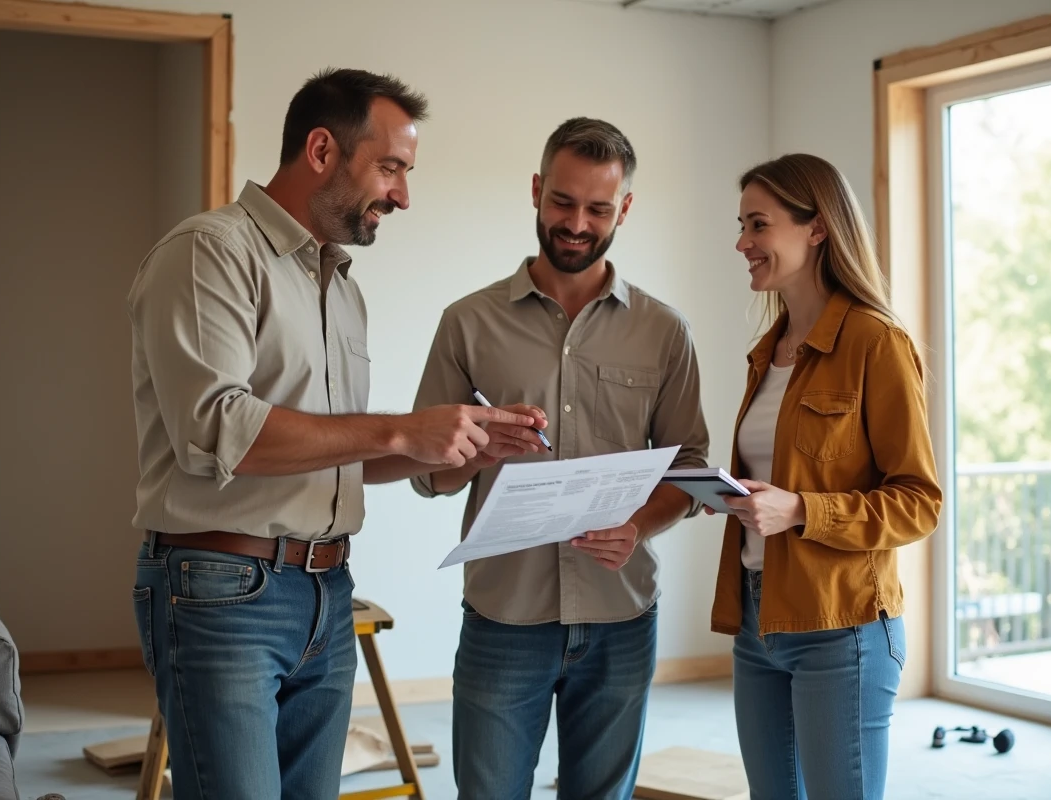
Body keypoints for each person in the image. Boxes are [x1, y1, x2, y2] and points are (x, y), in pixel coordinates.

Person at [126, 68, 540, 800]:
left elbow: (332, 449)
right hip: (223, 591)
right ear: (322, 150)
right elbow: (225, 432)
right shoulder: (209, 253)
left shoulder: (340, 284)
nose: (403, 195)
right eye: (390, 168)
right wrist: (401, 427)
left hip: (327, 590)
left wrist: (453, 443)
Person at [408, 117, 710, 800]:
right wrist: (479, 448)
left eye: (598, 208)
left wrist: (639, 526)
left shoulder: (664, 331)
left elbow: (690, 466)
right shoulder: (468, 322)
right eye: (563, 202)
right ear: (538, 190)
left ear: (624, 209)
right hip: (503, 614)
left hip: (621, 615)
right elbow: (429, 475)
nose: (576, 223)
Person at [707, 153, 942, 800]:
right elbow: (784, 475)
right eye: (741, 225)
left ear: (816, 229)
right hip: (760, 619)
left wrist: (803, 510)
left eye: (758, 225)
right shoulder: (770, 351)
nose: (742, 242)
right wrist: (731, 495)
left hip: (844, 629)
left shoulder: (875, 342)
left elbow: (919, 503)